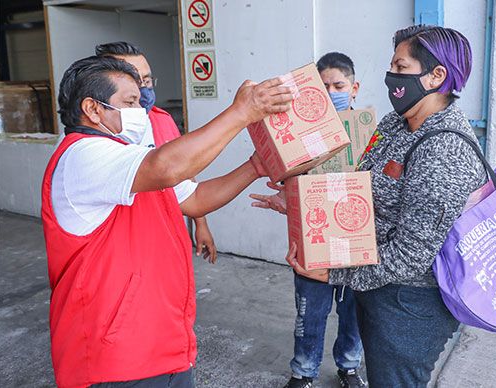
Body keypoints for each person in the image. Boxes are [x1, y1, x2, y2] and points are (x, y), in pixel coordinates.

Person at [252, 25, 485, 387]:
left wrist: (335, 275)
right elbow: (358, 188)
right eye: (392, 66)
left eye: (401, 67)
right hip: (377, 289)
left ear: (436, 75)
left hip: (410, 306)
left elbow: (411, 255)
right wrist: (299, 203)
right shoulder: (396, 124)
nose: (392, 76)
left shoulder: (443, 149)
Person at [42, 55, 292, 387]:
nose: (141, 109)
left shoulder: (128, 159)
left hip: (163, 343)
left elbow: (197, 198)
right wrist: (243, 112)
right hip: (115, 358)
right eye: (129, 102)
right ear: (93, 108)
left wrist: (255, 167)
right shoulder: (82, 156)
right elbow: (169, 167)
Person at [272, 52, 367, 388]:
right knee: (310, 313)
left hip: (357, 241)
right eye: (323, 86)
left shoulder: (371, 132)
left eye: (338, 85)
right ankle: (303, 371)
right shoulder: (301, 135)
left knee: (354, 314)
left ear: (354, 88)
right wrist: (286, 196)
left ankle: (349, 366)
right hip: (315, 242)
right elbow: (289, 177)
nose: (331, 91)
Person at [95, 41, 217, 263]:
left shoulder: (162, 119)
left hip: (169, 240)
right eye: (133, 81)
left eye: (147, 81)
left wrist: (201, 224)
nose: (142, 90)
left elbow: (186, 172)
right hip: (124, 254)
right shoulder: (96, 140)